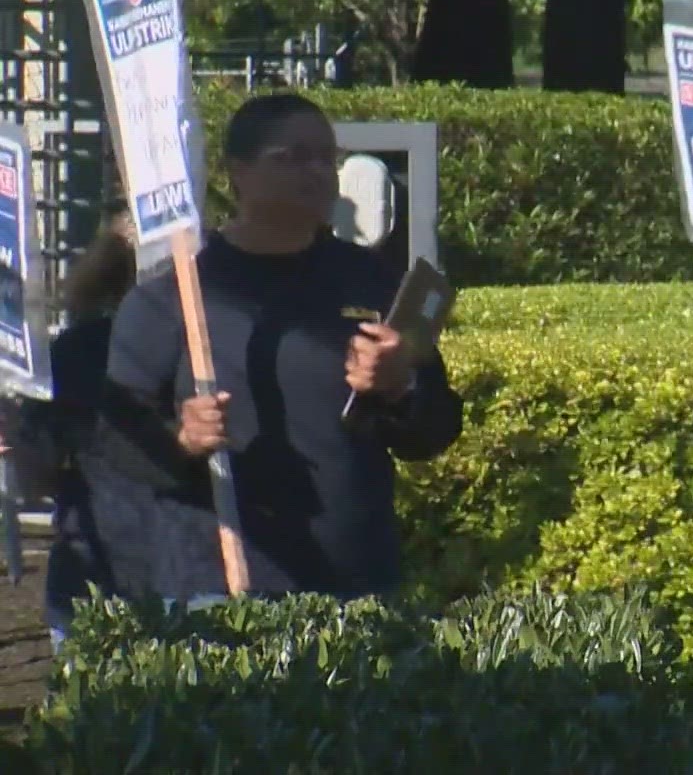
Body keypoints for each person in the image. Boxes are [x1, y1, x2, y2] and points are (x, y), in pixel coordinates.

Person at [94, 93, 463, 602]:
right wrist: (179, 440)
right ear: (237, 173)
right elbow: (114, 443)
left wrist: (402, 388)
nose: (317, 172)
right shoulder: (176, 296)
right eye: (292, 157)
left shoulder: (370, 279)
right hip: (224, 582)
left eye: (327, 158)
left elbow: (434, 431)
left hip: (356, 582)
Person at [8, 208, 141, 648]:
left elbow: (36, 477)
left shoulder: (73, 350)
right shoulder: (221, 350)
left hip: (90, 573)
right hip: (180, 573)